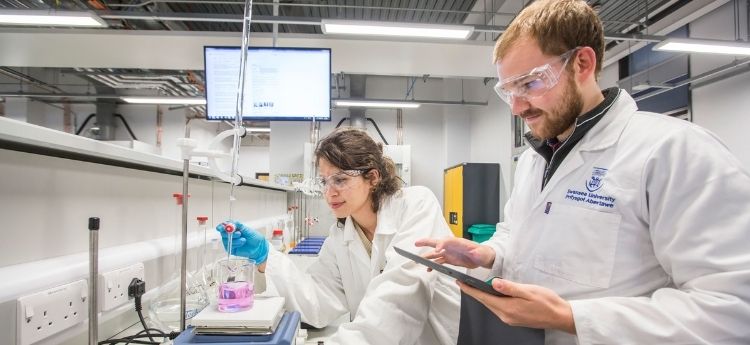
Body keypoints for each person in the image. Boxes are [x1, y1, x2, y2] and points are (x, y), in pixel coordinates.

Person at [416, 0, 750, 344]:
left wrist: (570, 317)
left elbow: (733, 308)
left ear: (583, 63)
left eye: (530, 84)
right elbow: (518, 233)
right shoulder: (536, 159)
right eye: (508, 91)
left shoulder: (673, 151)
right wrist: (490, 253)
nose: (517, 107)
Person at [217, 128, 461, 345]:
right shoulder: (342, 235)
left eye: (340, 179)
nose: (329, 192)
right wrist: (264, 257)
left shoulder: (416, 205)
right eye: (324, 181)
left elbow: (401, 300)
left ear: (373, 178)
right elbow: (317, 300)